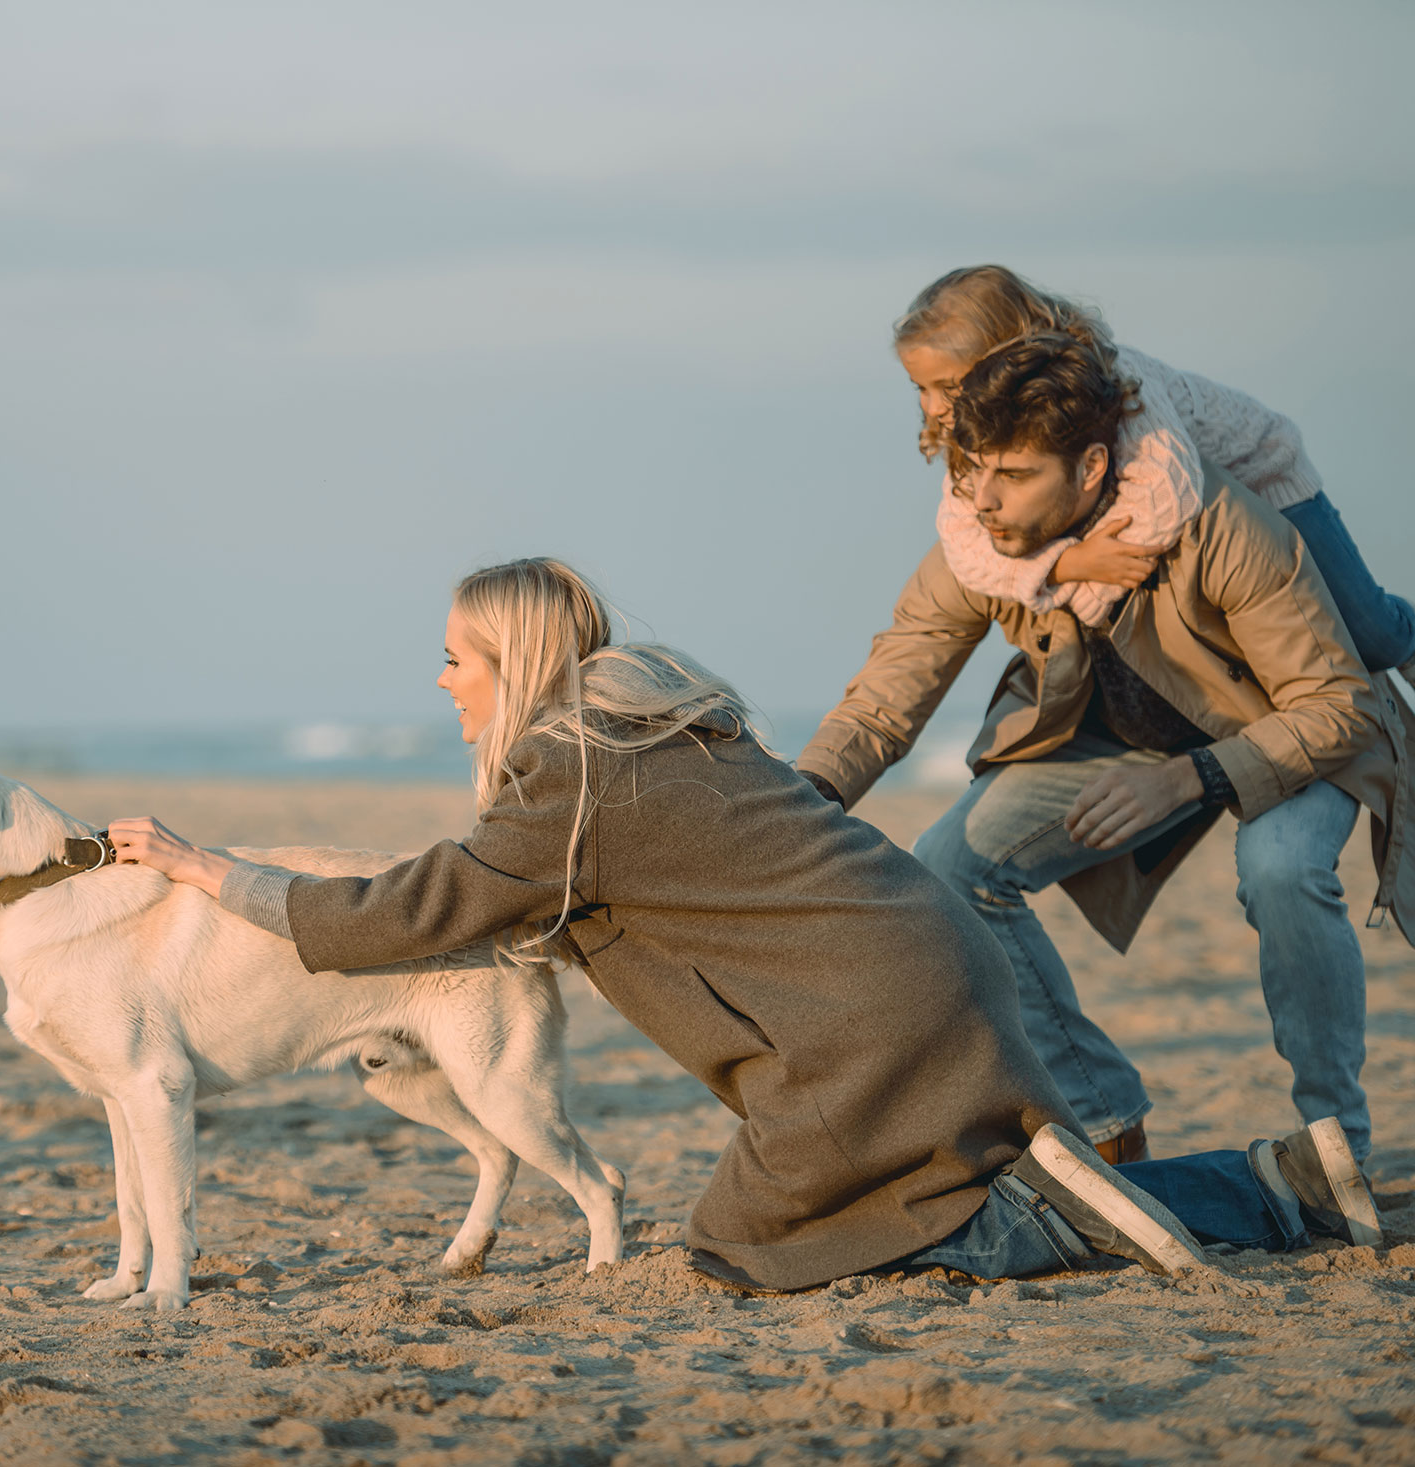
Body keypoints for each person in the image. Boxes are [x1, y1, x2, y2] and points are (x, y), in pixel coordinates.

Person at [108, 558, 1381, 1291]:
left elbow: (411, 910)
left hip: (853, 1029)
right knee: (908, 1187)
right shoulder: (665, 725)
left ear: (511, 663)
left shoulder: (570, 776)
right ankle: (1276, 1181)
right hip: (926, 959)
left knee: (742, 1245)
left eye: (456, 658)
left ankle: (1054, 1212)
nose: (440, 681)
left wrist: (211, 873)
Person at [799, 332, 1411, 1175]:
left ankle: (1337, 1144)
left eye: (1014, 476)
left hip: (1284, 728)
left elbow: (1335, 702)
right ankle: (1108, 1123)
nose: (984, 500)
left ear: (1091, 468)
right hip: (1120, 742)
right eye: (973, 471)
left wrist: (1190, 777)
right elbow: (885, 695)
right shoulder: (993, 550)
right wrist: (798, 799)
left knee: (1281, 871)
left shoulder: (1220, 524)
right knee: (950, 862)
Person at [893, 264, 1415, 681]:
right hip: (1201, 533)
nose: (936, 407)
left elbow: (1168, 499)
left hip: (1266, 481)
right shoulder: (973, 432)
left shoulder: (1117, 382)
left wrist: (1084, 582)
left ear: (1008, 352)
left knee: (1372, 640)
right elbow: (960, 543)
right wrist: (1068, 566)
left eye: (949, 385)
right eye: (921, 388)